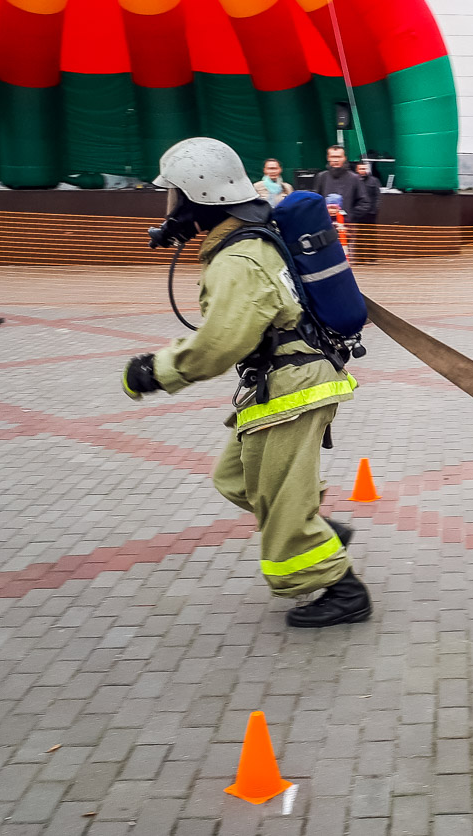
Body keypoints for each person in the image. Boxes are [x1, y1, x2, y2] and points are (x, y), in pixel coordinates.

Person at [122, 137, 372, 628]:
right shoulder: (250, 235)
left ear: (198, 197)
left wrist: (156, 371)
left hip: (293, 388)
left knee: (281, 511)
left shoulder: (239, 259)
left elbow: (219, 345)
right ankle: (313, 526)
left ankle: (343, 589)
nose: (170, 208)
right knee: (234, 478)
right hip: (287, 382)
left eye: (174, 196)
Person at [312, 145, 371, 222]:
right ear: (328, 158)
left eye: (339, 157)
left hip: (347, 226)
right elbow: (315, 200)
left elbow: (365, 203)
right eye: (333, 157)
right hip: (325, 224)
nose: (336, 160)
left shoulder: (354, 178)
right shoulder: (321, 177)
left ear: (344, 158)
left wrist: (349, 215)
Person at [352, 161, 381, 225]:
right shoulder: (352, 180)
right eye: (361, 169)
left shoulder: (374, 181)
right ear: (356, 170)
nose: (363, 171)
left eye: (364, 169)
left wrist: (374, 210)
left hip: (370, 213)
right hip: (357, 212)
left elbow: (377, 196)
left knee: (371, 231)